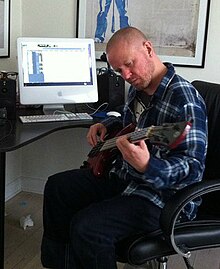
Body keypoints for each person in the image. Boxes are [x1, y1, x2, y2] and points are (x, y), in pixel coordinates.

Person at [41, 26, 208, 269]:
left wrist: (149, 165)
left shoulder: (185, 100)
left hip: (162, 197)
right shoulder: (140, 87)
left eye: (129, 65)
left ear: (148, 49)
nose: (126, 75)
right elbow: (130, 122)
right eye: (119, 70)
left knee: (88, 228)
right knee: (57, 188)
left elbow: (193, 170)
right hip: (126, 177)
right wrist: (106, 124)